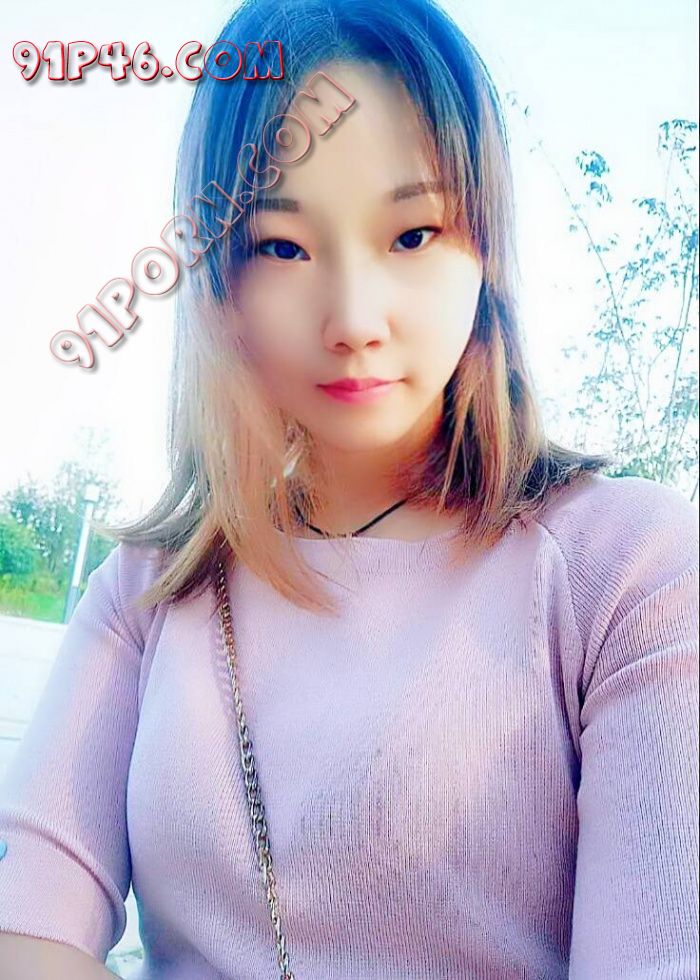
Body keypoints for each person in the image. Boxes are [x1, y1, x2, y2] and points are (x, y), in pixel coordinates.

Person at [1, 0, 698, 977]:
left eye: (412, 234)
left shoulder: (629, 569)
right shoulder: (154, 583)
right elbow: (30, 922)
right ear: (220, 280)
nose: (354, 318)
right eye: (282, 246)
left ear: (485, 249)